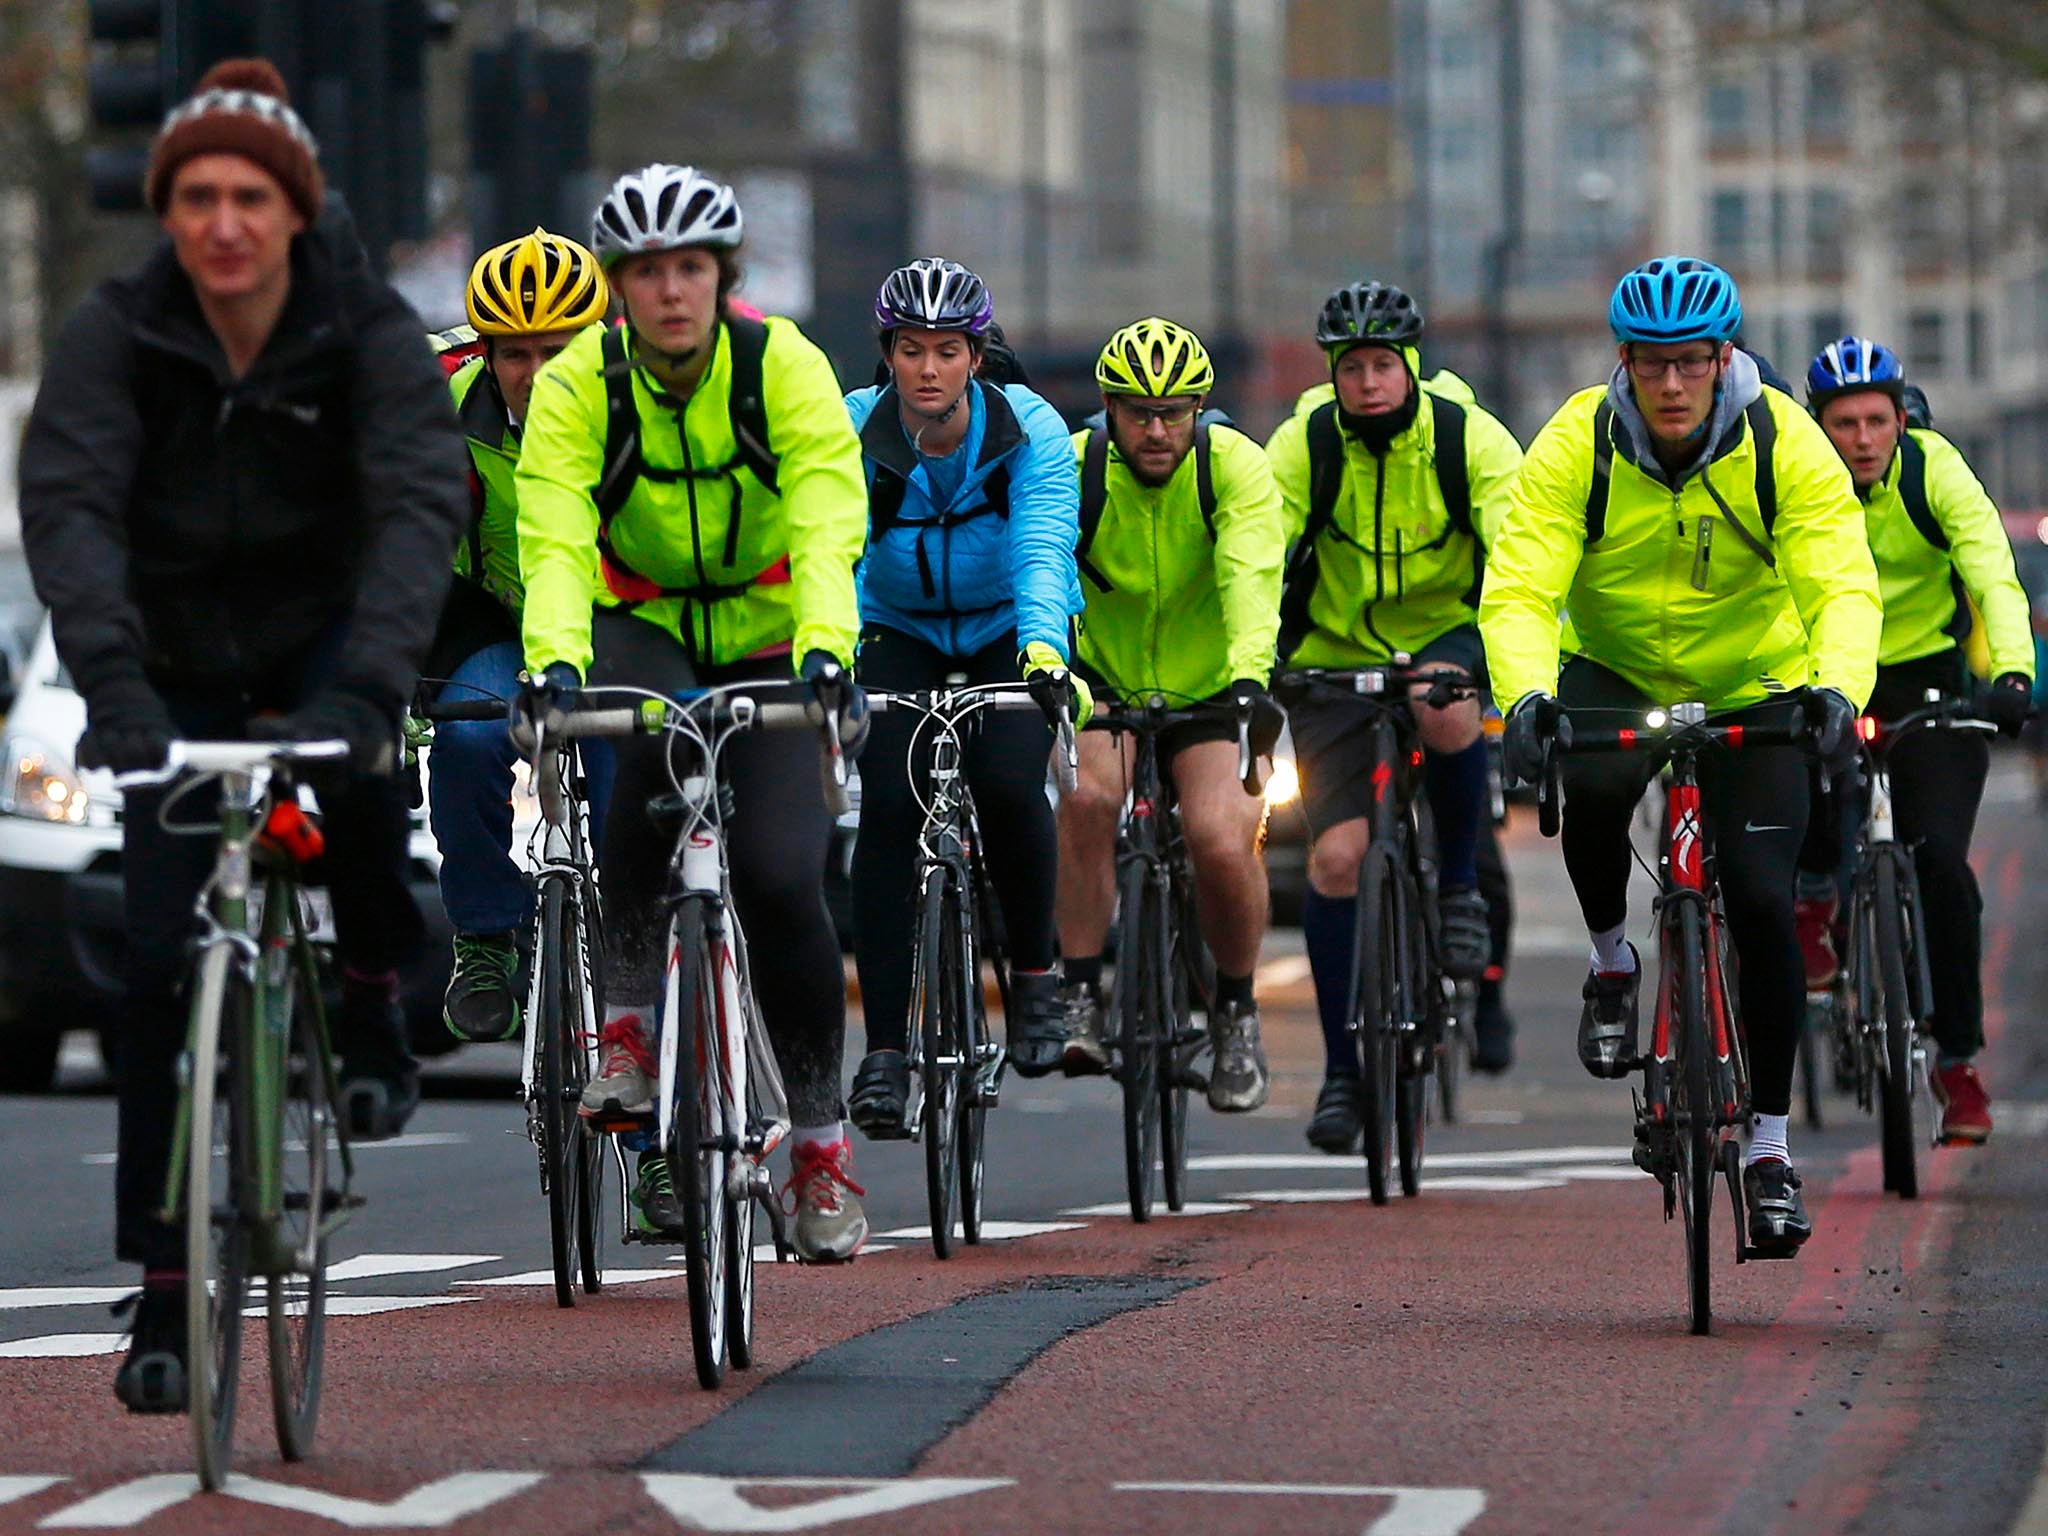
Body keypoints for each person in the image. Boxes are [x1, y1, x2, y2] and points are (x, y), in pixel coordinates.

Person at [17, 59, 467, 1410]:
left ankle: (378, 993)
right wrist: (115, 690)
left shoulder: (366, 329)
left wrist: (371, 684)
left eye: (249, 198)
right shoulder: (116, 332)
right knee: (155, 970)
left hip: (324, 630)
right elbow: (72, 506)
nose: (222, 222)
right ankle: (163, 1293)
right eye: (196, 197)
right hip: (170, 652)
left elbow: (415, 506)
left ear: (292, 212)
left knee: (364, 802)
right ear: (168, 211)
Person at [1481, 256, 1882, 1254]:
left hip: (1755, 679)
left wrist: (1835, 689)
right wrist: (1524, 698)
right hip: (1612, 666)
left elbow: (1839, 579)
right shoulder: (1577, 438)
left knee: (1757, 896)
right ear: (1624, 361)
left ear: (1723, 356)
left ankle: (1768, 1151)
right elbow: (1522, 584)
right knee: (1590, 792)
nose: (1671, 383)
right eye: (1651, 362)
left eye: (1691, 361)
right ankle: (1610, 962)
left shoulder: (1780, 437)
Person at [512, 164, 873, 1261]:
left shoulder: (784, 367)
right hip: (642, 623)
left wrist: (823, 652)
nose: (670, 292)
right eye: (647, 273)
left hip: (772, 631)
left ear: (724, 277)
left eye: (691, 269)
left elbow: (822, 512)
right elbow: (556, 530)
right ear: (618, 287)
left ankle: (818, 1150)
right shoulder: (583, 383)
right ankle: (624, 1028)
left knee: (774, 875)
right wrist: (555, 665)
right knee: (643, 753)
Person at [1265, 280, 1523, 1153]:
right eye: (1352, 367)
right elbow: (1260, 549)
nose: (1369, 382)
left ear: (1410, 366)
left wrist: (1521, 671)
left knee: (1442, 707)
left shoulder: (1466, 436)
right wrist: (1251, 656)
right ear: (1332, 373)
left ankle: (1456, 890)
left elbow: (1520, 550)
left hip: (1447, 633)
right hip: (1333, 655)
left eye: (1383, 365)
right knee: (1335, 859)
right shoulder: (1302, 441)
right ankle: (1343, 1074)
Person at [841, 258, 1084, 1133]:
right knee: (887, 818)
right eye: (913, 350)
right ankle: (882, 1053)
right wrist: (830, 659)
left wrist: (1045, 654)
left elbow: (1043, 548)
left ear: (977, 357)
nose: (930, 368)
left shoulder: (1032, 430)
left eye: (948, 350)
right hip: (895, 630)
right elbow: (837, 553)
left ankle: (1034, 981)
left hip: (1005, 631)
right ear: (890, 356)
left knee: (1014, 785)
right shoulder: (853, 430)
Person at [1795, 335, 2034, 1142]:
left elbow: (1992, 572)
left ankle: (1958, 1064)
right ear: (1817, 426)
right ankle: (1818, 896)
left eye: (1875, 421)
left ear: (1901, 420)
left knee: (1941, 866)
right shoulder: (1793, 479)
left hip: (1926, 682)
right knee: (1805, 787)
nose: (1861, 440)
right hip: (1826, 670)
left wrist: (2013, 675)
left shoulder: (1937, 472)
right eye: (1842, 424)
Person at [1054, 317, 1284, 1111]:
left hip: (1213, 685)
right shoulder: (1076, 467)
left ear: (1200, 411)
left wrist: (1252, 677)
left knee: (1222, 838)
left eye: (1174, 412)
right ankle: (1081, 991)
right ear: (1110, 411)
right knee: (1086, 798)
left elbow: (1251, 576)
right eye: (1139, 412)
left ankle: (1234, 1010)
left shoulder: (1233, 468)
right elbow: (1045, 569)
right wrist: (1053, 667)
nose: (1157, 430)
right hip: (1101, 680)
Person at [428, 229, 612, 1042]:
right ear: (484, 352)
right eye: (516, 356)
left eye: (558, 353)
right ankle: (484, 937)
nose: (536, 378)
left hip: (612, 624)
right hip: (497, 618)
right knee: (465, 740)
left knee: (627, 796)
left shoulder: (641, 395)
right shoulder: (438, 399)